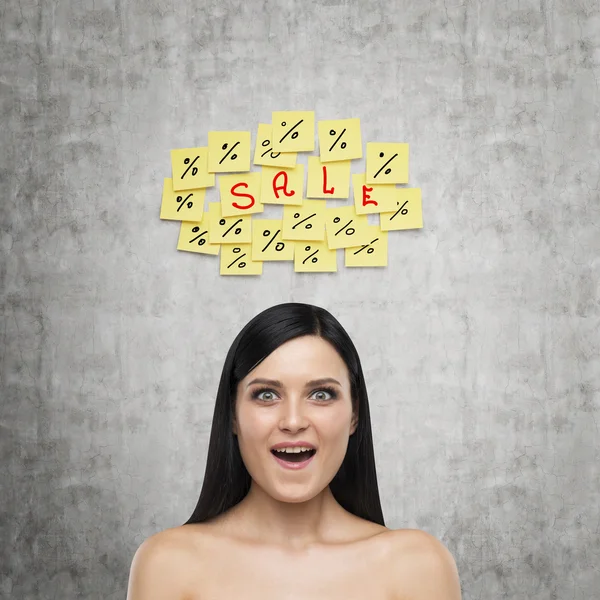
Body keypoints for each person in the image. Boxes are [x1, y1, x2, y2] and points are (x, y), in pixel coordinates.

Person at [126, 303, 462, 599]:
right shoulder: (168, 563)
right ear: (232, 414)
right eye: (267, 395)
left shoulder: (418, 566)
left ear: (354, 413)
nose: (293, 421)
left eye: (321, 394)